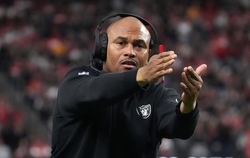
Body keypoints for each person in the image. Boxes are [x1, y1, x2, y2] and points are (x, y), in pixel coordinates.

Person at [50, 13, 207, 158]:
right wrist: (142, 75)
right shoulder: (76, 79)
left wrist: (189, 103)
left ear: (148, 54)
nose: (130, 52)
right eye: (121, 43)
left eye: (139, 46)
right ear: (102, 48)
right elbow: (92, 93)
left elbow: (181, 129)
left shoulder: (157, 94)